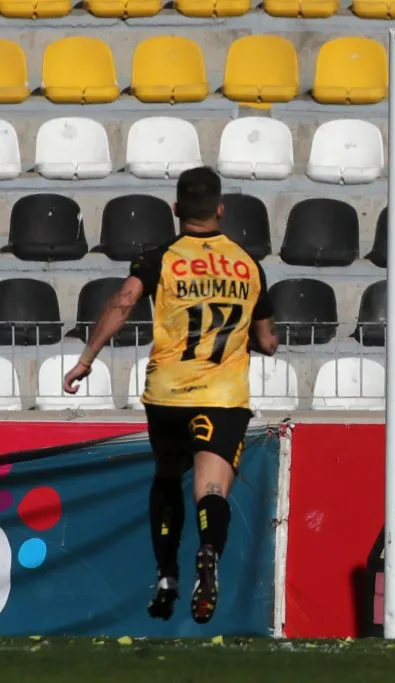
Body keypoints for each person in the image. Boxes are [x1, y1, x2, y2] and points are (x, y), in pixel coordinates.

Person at [63, 166, 280, 624]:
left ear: (177, 210)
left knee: (166, 478)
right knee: (212, 487)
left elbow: (123, 301)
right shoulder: (248, 264)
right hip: (223, 396)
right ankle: (208, 550)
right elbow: (267, 342)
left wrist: (86, 359)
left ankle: (166, 575)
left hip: (167, 395)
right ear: (220, 209)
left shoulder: (161, 257)